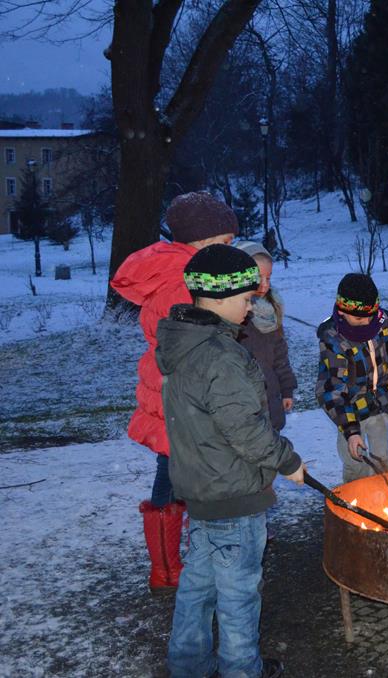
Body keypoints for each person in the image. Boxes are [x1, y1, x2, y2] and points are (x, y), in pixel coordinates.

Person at [157, 244, 306, 678]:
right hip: (234, 494)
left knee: (198, 587)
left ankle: (188, 665)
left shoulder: (185, 345)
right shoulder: (221, 356)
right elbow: (246, 431)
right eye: (245, 297)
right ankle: (242, 669)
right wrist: (288, 461)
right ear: (220, 298)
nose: (251, 305)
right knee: (239, 592)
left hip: (203, 492)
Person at [110, 191, 238, 594]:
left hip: (173, 388)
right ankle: (167, 568)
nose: (230, 249)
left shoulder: (178, 270)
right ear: (203, 241)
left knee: (176, 472)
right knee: (172, 475)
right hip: (178, 392)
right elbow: (190, 341)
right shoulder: (182, 279)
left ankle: (176, 559)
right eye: (226, 242)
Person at [317, 273, 388, 483]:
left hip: (381, 403)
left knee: (381, 458)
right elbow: (333, 389)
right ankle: (354, 499)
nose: (367, 322)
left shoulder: (384, 321)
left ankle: (385, 497)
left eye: (370, 315)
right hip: (351, 410)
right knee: (354, 462)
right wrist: (351, 431)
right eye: (359, 318)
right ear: (342, 311)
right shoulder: (333, 337)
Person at [235, 241, 296, 432]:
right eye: (257, 278)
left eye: (268, 278)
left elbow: (280, 357)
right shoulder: (233, 318)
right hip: (245, 408)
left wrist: (287, 390)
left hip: (272, 401)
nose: (264, 285)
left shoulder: (271, 313)